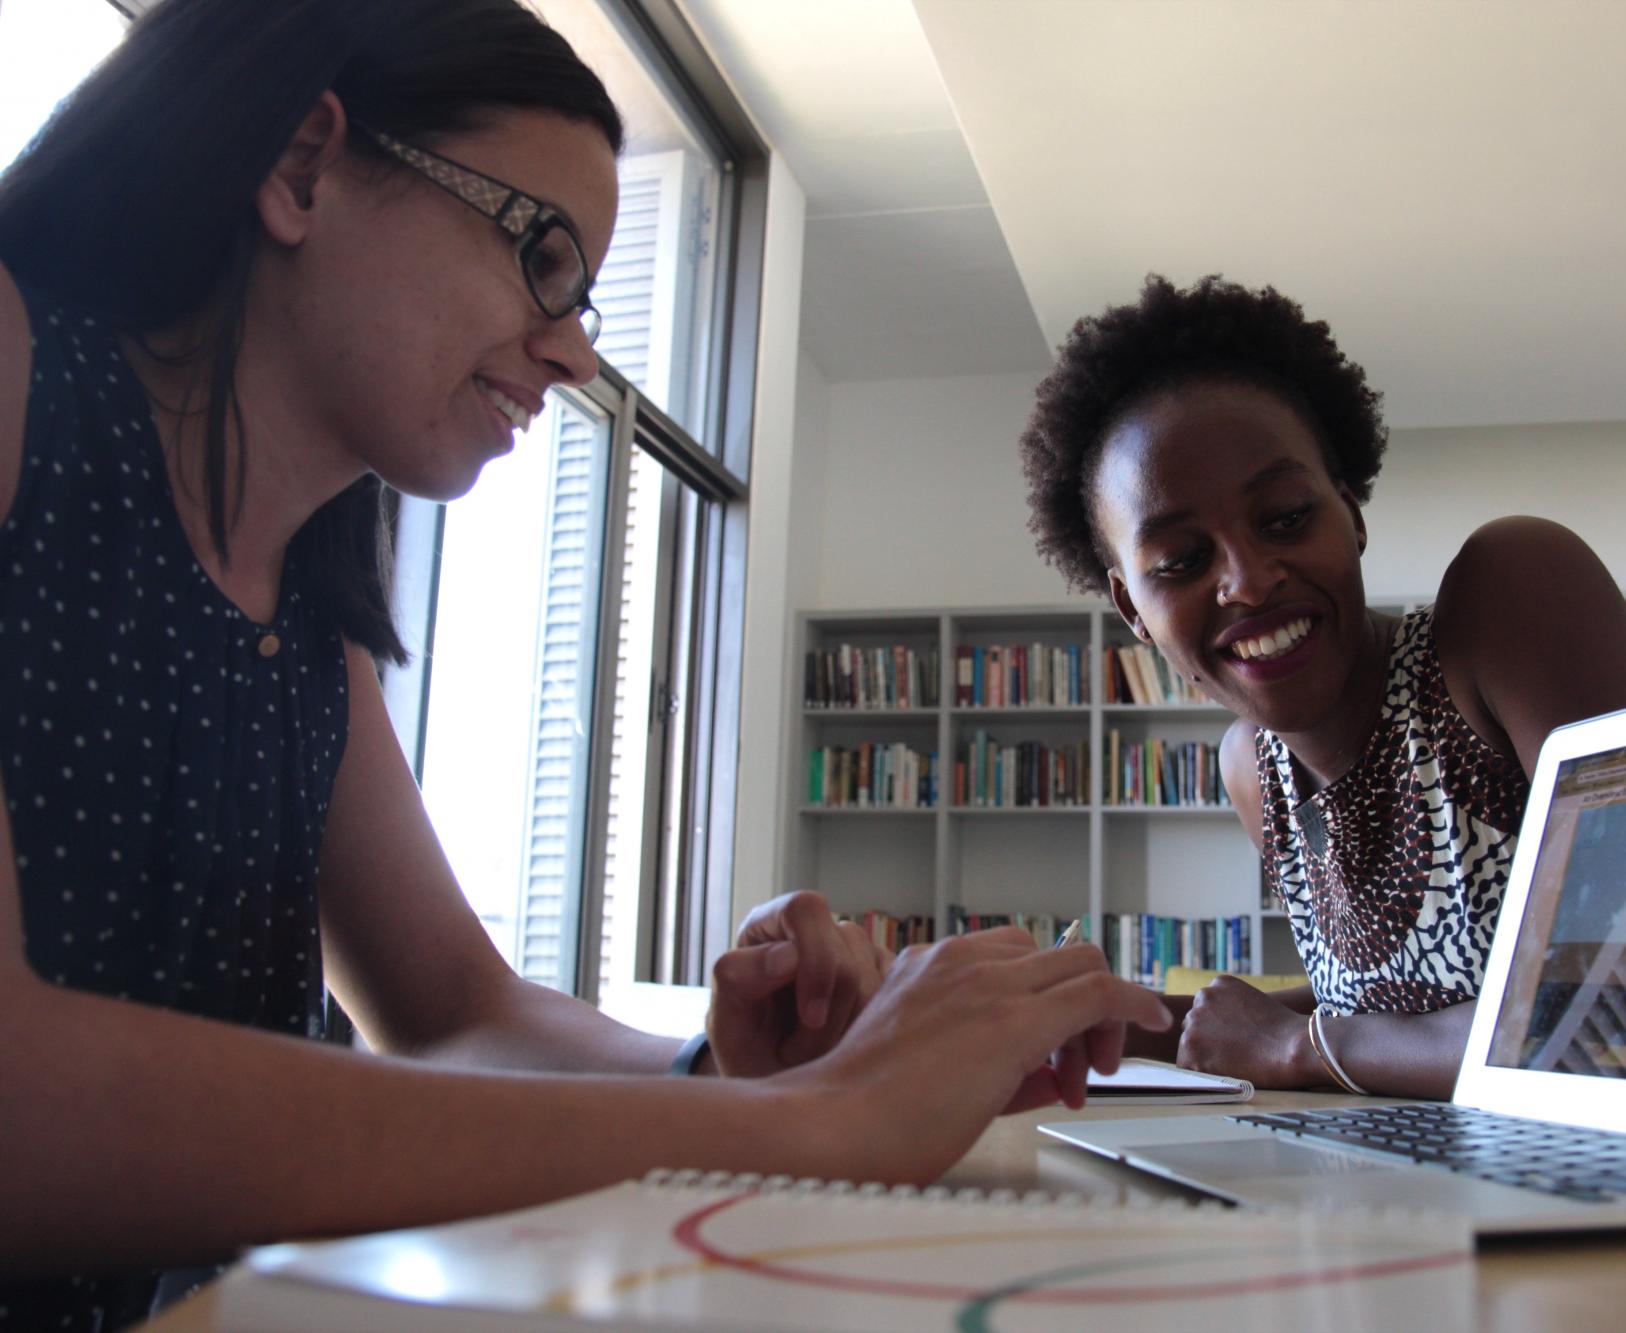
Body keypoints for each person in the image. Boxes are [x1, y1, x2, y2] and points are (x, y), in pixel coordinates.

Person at [0, 3, 1168, 1327]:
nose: (573, 348)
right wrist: (824, 1120)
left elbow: (455, 1015)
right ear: (304, 166)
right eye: (539, 256)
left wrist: (720, 1073)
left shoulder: (304, 623)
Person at [1018, 274, 1626, 1100]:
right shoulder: (1254, 769)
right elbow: (1393, 1008)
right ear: (1132, 611)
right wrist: (1143, 1023)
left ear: (1349, 509)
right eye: (1181, 561)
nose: (1248, 581)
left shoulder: (1508, 604)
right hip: (1397, 1205)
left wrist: (1298, 1050)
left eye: (1285, 514)